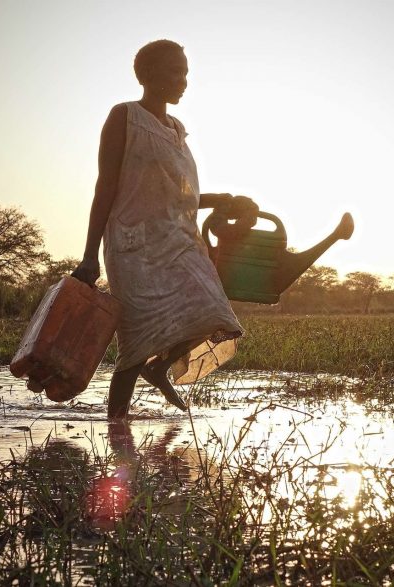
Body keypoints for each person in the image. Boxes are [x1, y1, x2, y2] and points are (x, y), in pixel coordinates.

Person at [72, 40, 257, 420]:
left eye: (186, 71)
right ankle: (116, 427)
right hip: (132, 247)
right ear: (147, 75)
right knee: (135, 342)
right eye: (175, 71)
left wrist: (223, 198)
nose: (183, 80)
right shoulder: (124, 117)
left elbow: (176, 196)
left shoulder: (177, 130)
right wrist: (90, 255)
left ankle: (158, 368)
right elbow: (105, 186)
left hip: (177, 244)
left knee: (216, 313)